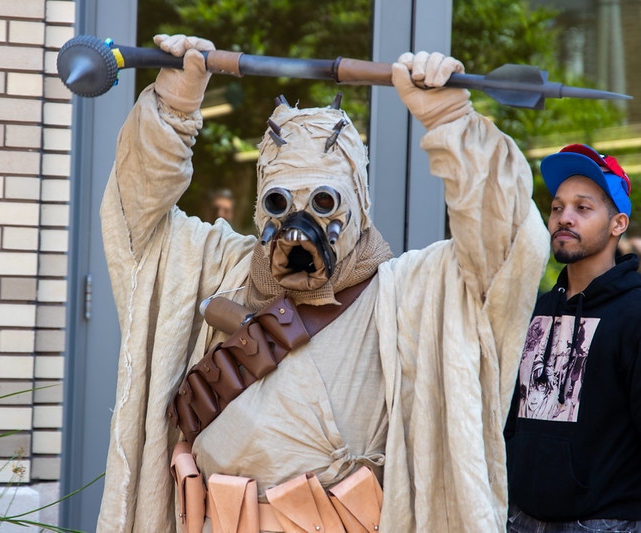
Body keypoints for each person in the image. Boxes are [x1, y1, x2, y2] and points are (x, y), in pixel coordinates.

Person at [96, 33, 549, 532]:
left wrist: (453, 125)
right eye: (279, 200)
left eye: (323, 201)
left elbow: (508, 251)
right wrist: (174, 107)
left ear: (358, 204)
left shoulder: (414, 294)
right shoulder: (219, 267)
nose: (298, 221)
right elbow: (135, 216)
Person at [504, 144, 641, 533]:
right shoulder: (537, 310)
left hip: (601, 524)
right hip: (518, 518)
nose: (563, 218)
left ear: (617, 224)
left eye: (582, 208)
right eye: (557, 208)